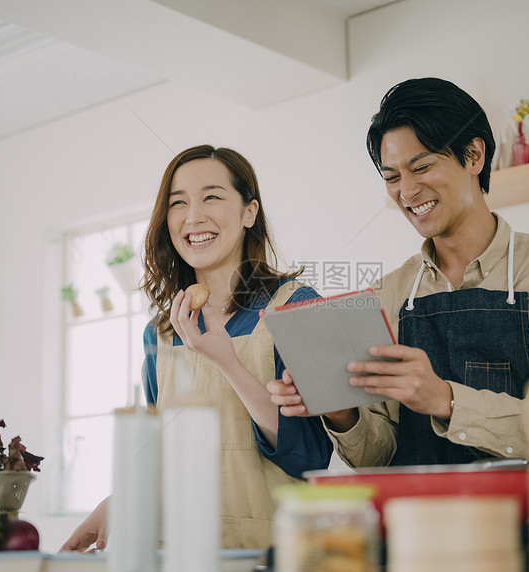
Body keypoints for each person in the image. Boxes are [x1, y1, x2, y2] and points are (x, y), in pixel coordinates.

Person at [269, 77, 529, 467]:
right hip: (420, 523)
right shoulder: (387, 293)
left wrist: (444, 399)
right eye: (392, 177)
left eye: (421, 167)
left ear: (474, 156)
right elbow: (378, 457)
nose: (406, 192)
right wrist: (340, 411)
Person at [61, 145, 332, 552]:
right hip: (183, 555)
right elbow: (163, 455)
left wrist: (228, 362)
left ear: (249, 212)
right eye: (178, 202)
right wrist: (120, 501)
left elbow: (310, 456)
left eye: (211, 197)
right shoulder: (161, 332)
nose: (193, 216)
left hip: (276, 554)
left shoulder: (295, 305)